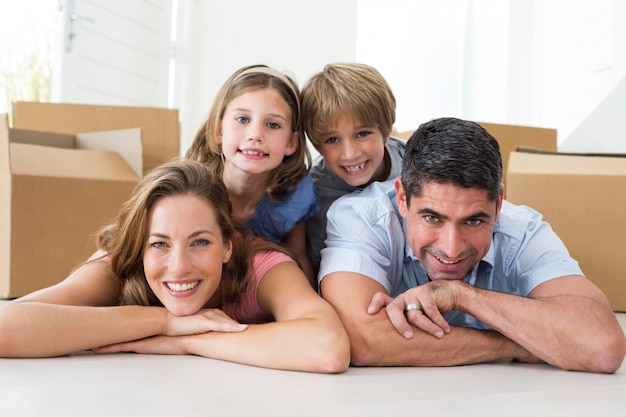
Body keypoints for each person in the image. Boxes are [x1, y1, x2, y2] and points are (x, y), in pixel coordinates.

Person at [318, 117, 626, 373]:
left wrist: (460, 295)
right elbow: (361, 339)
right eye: (432, 218)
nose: (451, 249)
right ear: (402, 197)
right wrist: (518, 342)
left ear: (499, 203)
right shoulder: (361, 218)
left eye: (474, 222)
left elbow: (602, 347)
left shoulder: (523, 232)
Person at [0, 159, 350, 374]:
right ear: (140, 246)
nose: (179, 266)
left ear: (228, 245)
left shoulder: (262, 264)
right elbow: (6, 327)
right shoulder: (122, 262)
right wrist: (164, 321)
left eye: (200, 242)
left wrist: (188, 341)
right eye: (159, 244)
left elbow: (327, 347)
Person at [186, 64, 318, 285]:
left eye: (273, 125)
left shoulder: (295, 197)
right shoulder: (193, 189)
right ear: (219, 131)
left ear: (291, 143)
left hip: (258, 291)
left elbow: (299, 258)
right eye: (242, 120)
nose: (255, 135)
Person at [301, 62, 406, 275]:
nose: (350, 154)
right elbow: (318, 268)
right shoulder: (314, 196)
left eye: (362, 134)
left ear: (386, 131)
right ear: (317, 145)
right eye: (332, 139)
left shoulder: (413, 163)